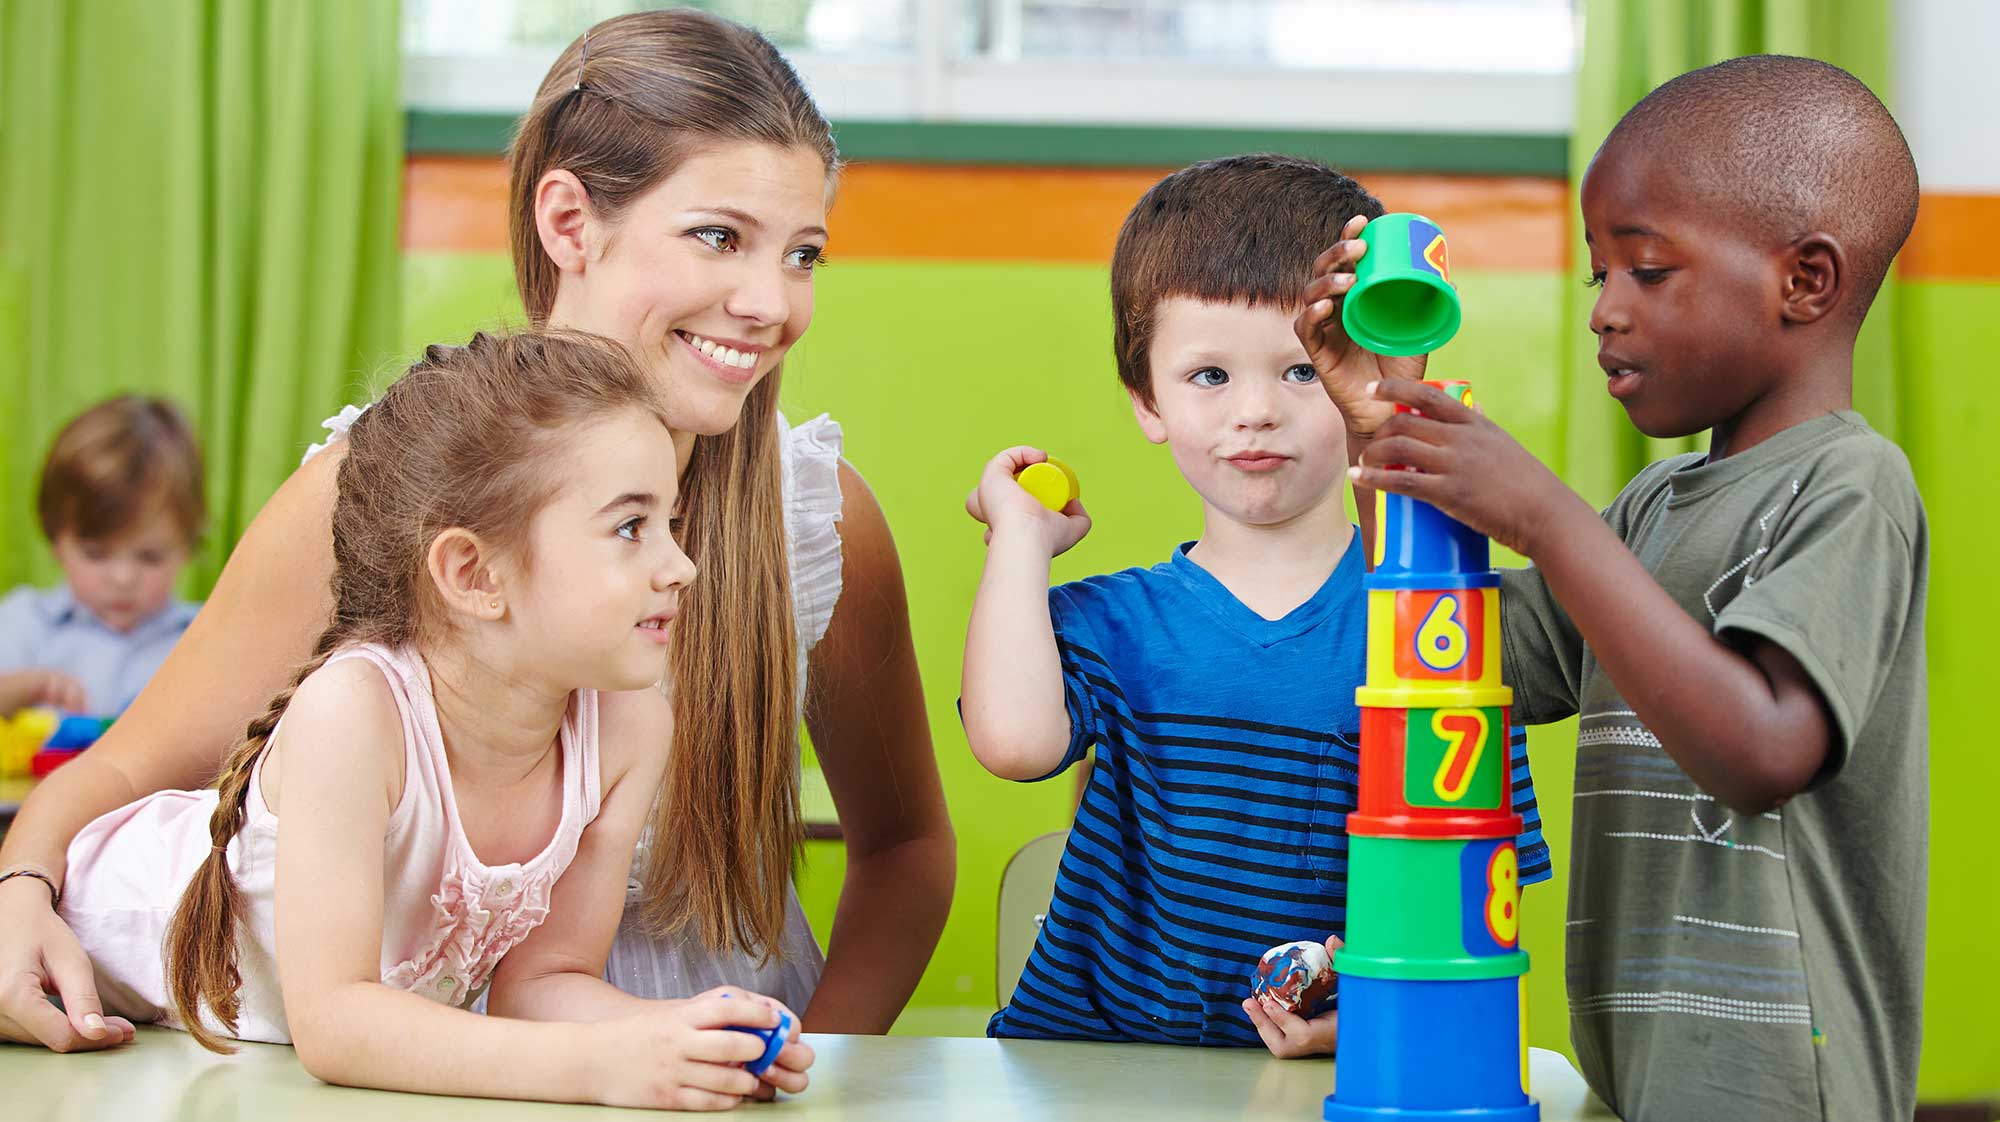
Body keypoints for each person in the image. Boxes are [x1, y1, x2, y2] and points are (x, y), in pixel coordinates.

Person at [0, 8, 953, 1054]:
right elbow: (127, 775)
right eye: (719, 237)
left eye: (804, 253)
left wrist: (797, 1059)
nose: (770, 302)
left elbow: (905, 850)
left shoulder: (814, 518)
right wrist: (21, 888)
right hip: (438, 1065)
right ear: (568, 222)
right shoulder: (386, 489)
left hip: (710, 1054)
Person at [1305, 56, 1927, 1122]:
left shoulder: (1849, 484)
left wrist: (1543, 518)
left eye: (1644, 271)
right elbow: (1459, 652)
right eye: (1600, 278)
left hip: (1775, 1092)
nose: (1604, 312)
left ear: (1803, 282)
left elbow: (1763, 749)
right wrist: (1383, 431)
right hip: (1632, 1074)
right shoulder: (1654, 505)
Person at [962, 155, 1550, 1056]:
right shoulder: (1112, 623)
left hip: (1322, 1077)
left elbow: (1469, 895)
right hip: (1096, 1064)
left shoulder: (1434, 633)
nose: (1256, 413)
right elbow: (1012, 742)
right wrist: (1019, 538)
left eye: (1301, 372)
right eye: (1209, 376)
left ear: (1362, 377)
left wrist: (1369, 1013)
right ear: (1146, 401)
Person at [0, 396, 204, 717]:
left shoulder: (202, 638)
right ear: (56, 541)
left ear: (187, 546)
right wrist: (25, 687)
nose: (123, 578)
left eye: (149, 557)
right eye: (96, 554)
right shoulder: (24, 624)